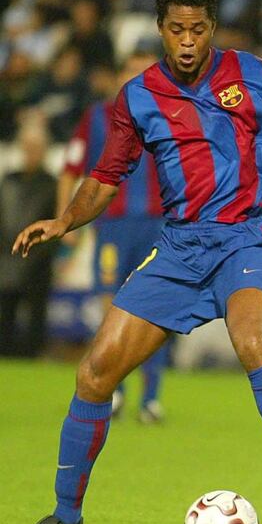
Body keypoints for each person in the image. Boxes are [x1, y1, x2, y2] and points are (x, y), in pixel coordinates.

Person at [6, 0, 262, 524]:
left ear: (211, 28)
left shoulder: (254, 75)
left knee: (252, 342)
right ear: (162, 30)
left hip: (246, 240)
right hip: (179, 250)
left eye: (197, 29)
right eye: (176, 29)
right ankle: (65, 519)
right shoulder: (137, 97)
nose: (187, 41)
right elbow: (107, 176)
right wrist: (65, 220)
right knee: (94, 374)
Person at [58, 50, 169, 423]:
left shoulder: (171, 113)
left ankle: (151, 399)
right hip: (112, 230)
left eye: (145, 72)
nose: (138, 78)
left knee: (155, 313)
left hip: (158, 228)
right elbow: (71, 168)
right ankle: (115, 392)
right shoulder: (97, 118)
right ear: (120, 76)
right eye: (132, 71)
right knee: (111, 311)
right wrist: (66, 221)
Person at [0, 122, 56, 357]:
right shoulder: (9, 180)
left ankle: (33, 354)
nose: (31, 152)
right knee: (5, 313)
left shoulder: (51, 184)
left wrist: (40, 252)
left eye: (36, 148)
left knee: (36, 314)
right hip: (6, 256)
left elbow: (55, 224)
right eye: (28, 147)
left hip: (38, 260)